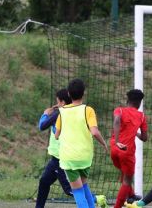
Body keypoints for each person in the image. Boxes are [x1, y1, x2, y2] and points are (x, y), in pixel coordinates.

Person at [55, 78, 108, 208]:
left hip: (69, 157)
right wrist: (104, 144)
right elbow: (94, 132)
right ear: (83, 93)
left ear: (68, 94)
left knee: (77, 191)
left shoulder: (62, 112)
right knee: (84, 186)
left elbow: (56, 135)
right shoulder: (88, 110)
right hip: (85, 157)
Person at [110, 89, 148, 208]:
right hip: (127, 150)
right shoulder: (141, 116)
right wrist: (136, 133)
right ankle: (118, 206)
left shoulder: (119, 109)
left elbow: (117, 119)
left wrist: (116, 141)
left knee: (123, 170)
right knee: (127, 179)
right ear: (140, 103)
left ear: (127, 100)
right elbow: (145, 138)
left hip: (114, 148)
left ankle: (130, 195)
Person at [36, 88, 73, 208]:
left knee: (69, 190)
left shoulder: (58, 114)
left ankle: (96, 199)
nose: (56, 104)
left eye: (57, 101)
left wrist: (46, 114)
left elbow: (41, 126)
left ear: (62, 102)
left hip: (61, 158)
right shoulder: (72, 112)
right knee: (44, 182)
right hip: (56, 159)